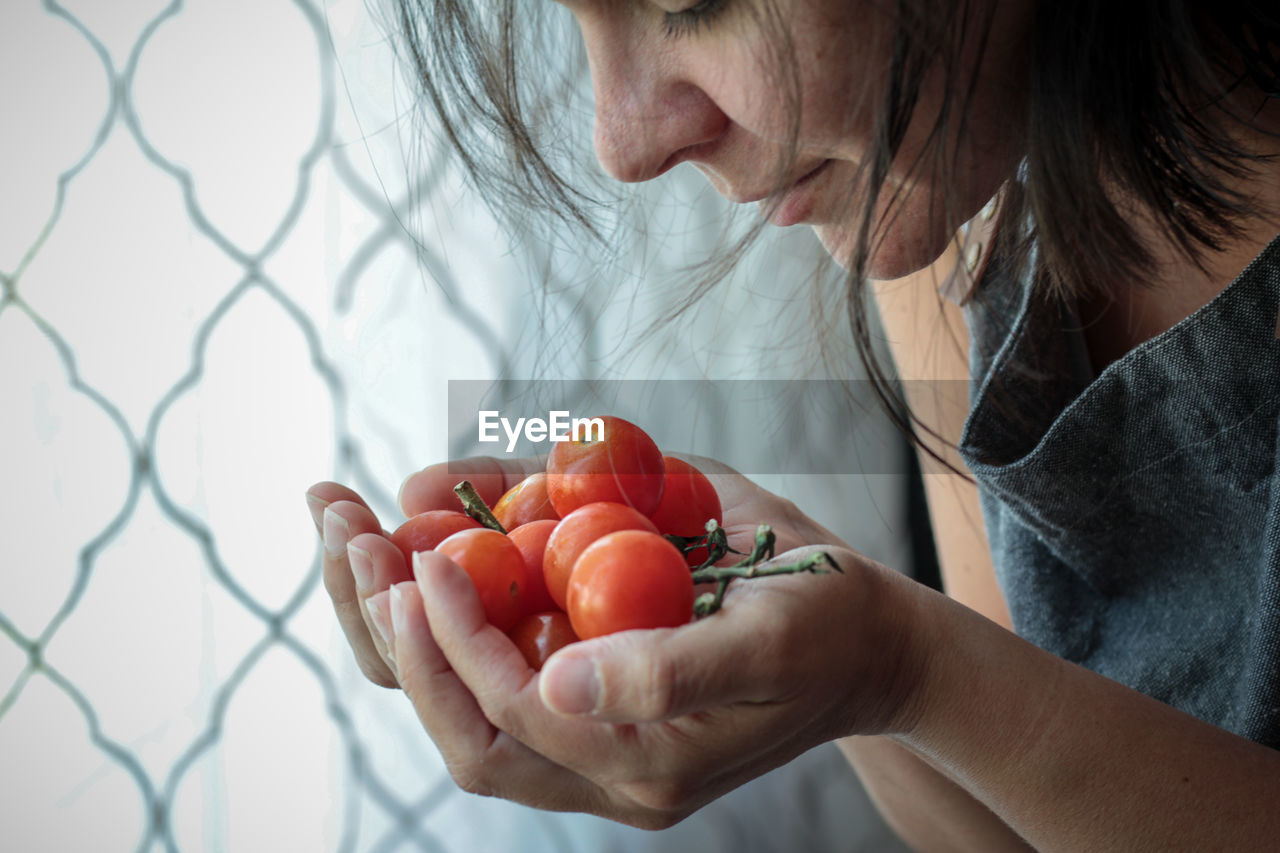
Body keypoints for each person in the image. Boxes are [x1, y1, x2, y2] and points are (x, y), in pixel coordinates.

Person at [307, 1, 1280, 848]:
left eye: (688, 3)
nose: (624, 144)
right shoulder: (954, 202)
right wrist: (845, 683)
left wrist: (908, 667)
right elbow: (1013, 834)